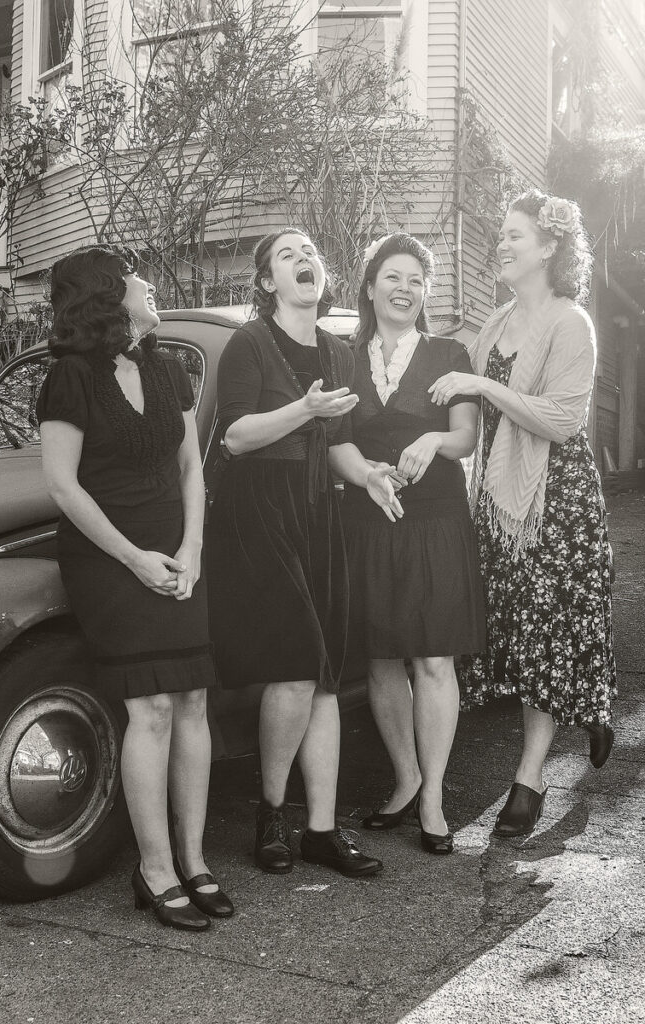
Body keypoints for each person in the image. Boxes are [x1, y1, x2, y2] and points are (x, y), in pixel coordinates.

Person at [37, 245, 232, 930]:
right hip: (109, 559)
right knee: (150, 706)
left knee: (191, 700)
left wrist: (191, 549)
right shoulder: (70, 378)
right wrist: (135, 559)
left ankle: (194, 859)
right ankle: (154, 869)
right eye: (133, 276)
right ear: (107, 296)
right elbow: (63, 487)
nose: (148, 283)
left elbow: (189, 471)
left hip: (177, 555)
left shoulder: (167, 367)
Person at [208, 229, 402, 878]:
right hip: (259, 511)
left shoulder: (339, 353)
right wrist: (304, 409)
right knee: (294, 665)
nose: (305, 262)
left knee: (323, 673)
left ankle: (321, 828)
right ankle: (270, 813)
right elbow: (235, 437)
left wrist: (368, 474)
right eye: (288, 256)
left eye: (311, 254)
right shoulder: (248, 344)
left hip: (321, 509)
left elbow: (339, 441)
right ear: (267, 282)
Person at [430, 190, 617, 838]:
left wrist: (482, 386)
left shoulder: (572, 323)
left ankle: (529, 778)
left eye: (515, 234)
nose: (501, 244)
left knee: (546, 632)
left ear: (549, 246)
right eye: (501, 234)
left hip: (556, 501)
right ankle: (590, 703)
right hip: (499, 497)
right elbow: (465, 412)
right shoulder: (494, 323)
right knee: (524, 630)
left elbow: (564, 419)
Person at [340, 232, 485, 855]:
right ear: (371, 287)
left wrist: (432, 442)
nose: (406, 290)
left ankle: (433, 798)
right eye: (394, 277)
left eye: (417, 281)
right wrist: (368, 474)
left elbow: (466, 436)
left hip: (434, 523)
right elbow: (335, 441)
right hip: (370, 520)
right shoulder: (343, 358)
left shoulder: (448, 353)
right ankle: (405, 779)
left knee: (431, 658)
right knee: (380, 658)